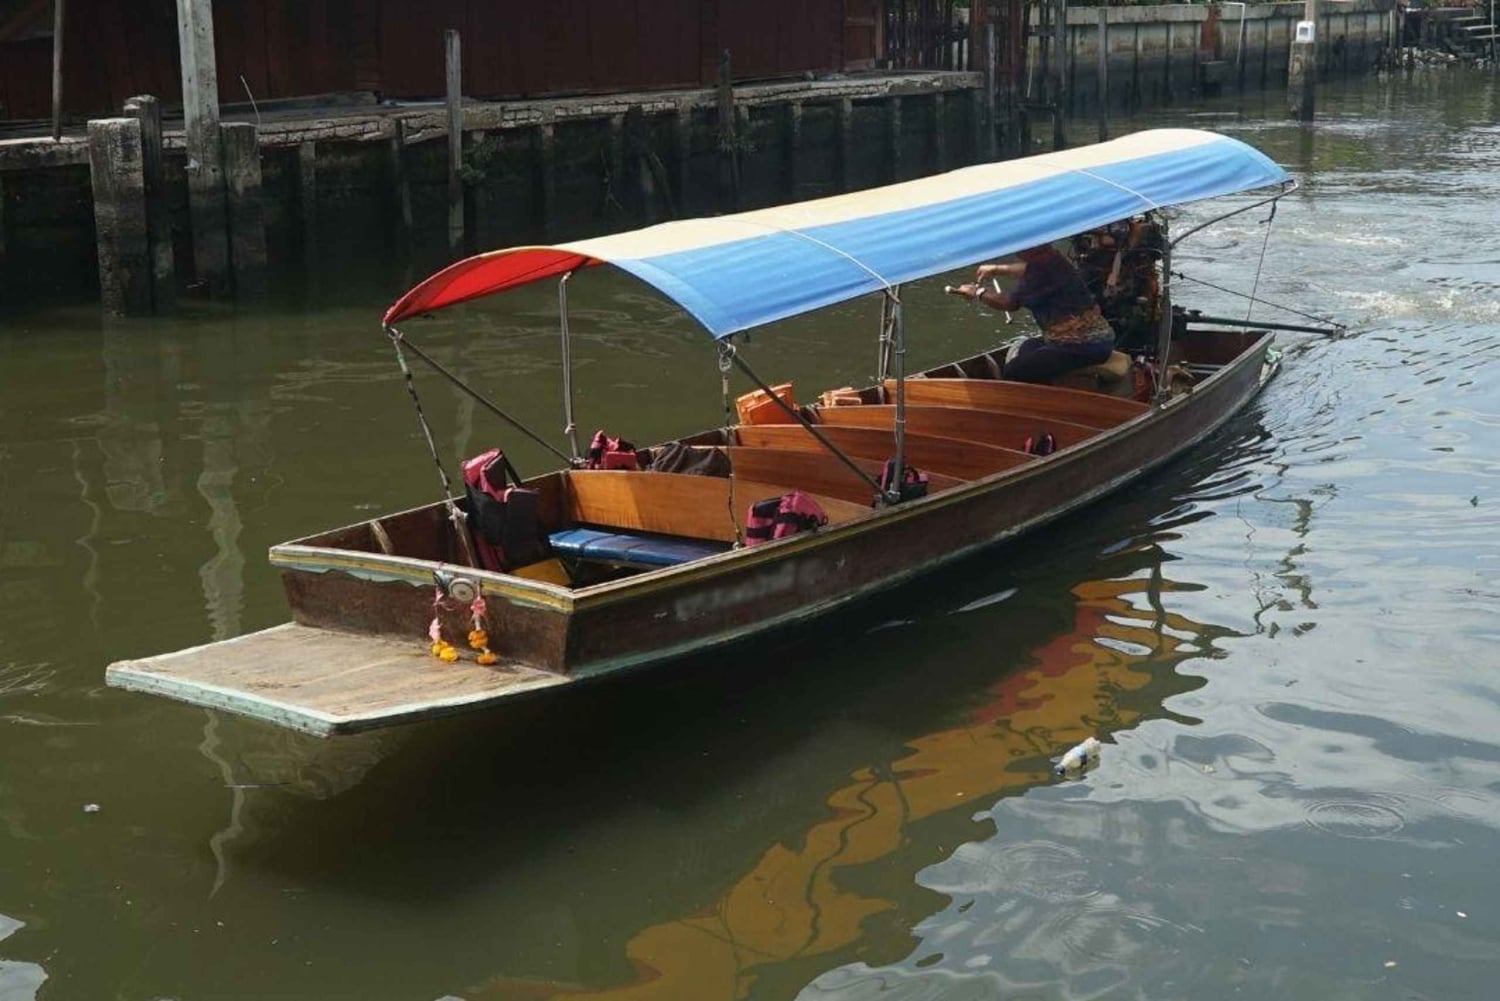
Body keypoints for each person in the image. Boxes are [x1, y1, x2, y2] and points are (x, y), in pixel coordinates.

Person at [952, 243, 1116, 383]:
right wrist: (997, 269)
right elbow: (1026, 269)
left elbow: (1009, 303)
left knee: (1014, 371)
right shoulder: (1053, 259)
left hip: (1083, 345)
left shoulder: (1037, 274)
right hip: (1096, 339)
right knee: (1026, 347)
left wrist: (977, 292)